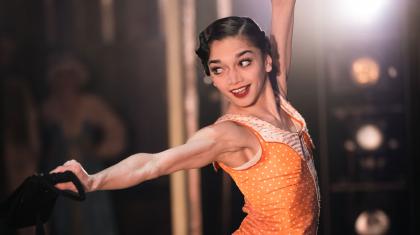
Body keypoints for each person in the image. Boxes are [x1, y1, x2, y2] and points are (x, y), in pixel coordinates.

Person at [52, 0, 320, 234]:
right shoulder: (229, 134)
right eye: (219, 69)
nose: (234, 79)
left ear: (268, 61)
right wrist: (92, 181)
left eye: (244, 62)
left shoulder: (278, 97)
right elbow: (153, 164)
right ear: (212, 78)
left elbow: (283, 4)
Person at [41, 54, 125, 235]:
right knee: (64, 220)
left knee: (94, 218)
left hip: (89, 172)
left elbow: (116, 131)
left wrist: (98, 151)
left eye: (69, 76)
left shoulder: (91, 105)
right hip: (59, 178)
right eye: (61, 77)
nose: (65, 82)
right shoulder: (48, 109)